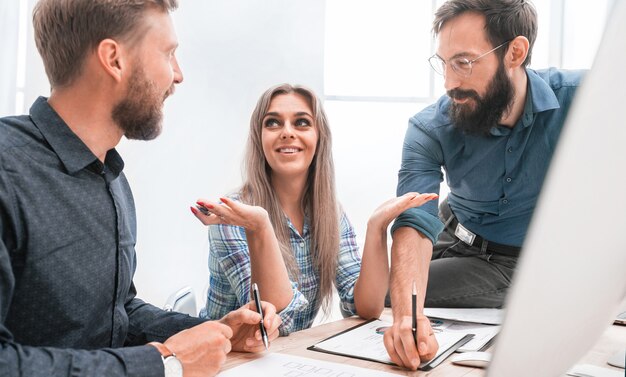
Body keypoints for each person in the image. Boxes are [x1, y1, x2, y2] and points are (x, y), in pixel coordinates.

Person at [0, 1, 280, 376]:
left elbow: (117, 313)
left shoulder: (109, 175)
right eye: (168, 54)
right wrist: (163, 364)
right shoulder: (6, 169)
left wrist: (216, 332)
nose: (178, 75)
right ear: (114, 59)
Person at [383, 0, 585, 370]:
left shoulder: (586, 98)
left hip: (513, 259)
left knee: (380, 295)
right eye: (443, 63)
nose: (448, 83)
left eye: (463, 63)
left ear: (515, 52)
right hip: (452, 226)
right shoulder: (428, 128)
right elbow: (414, 221)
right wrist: (405, 319)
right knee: (382, 294)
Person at [191, 83, 438, 335]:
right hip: (225, 359)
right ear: (259, 138)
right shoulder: (231, 216)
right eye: (273, 123)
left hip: (284, 357)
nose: (287, 132)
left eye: (301, 123)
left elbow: (366, 307)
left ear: (319, 137)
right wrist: (260, 226)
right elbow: (270, 320)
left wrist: (377, 228)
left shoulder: (329, 213)